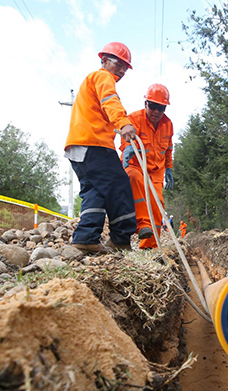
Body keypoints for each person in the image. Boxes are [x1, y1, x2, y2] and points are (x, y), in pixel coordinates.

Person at [64, 42, 137, 254]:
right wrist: (123, 123)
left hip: (78, 146)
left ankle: (86, 238)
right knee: (119, 185)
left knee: (95, 190)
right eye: (118, 64)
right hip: (94, 145)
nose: (121, 71)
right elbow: (110, 101)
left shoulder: (92, 81)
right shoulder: (103, 76)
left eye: (125, 67)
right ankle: (121, 239)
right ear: (104, 61)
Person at [120, 84, 174, 249]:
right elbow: (124, 138)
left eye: (161, 107)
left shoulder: (168, 124)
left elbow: (168, 149)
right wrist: (127, 148)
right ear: (146, 104)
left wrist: (169, 168)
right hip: (136, 166)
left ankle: (149, 246)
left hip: (156, 172)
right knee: (133, 178)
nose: (156, 111)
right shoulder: (134, 119)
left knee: (158, 206)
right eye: (153, 106)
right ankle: (143, 224)